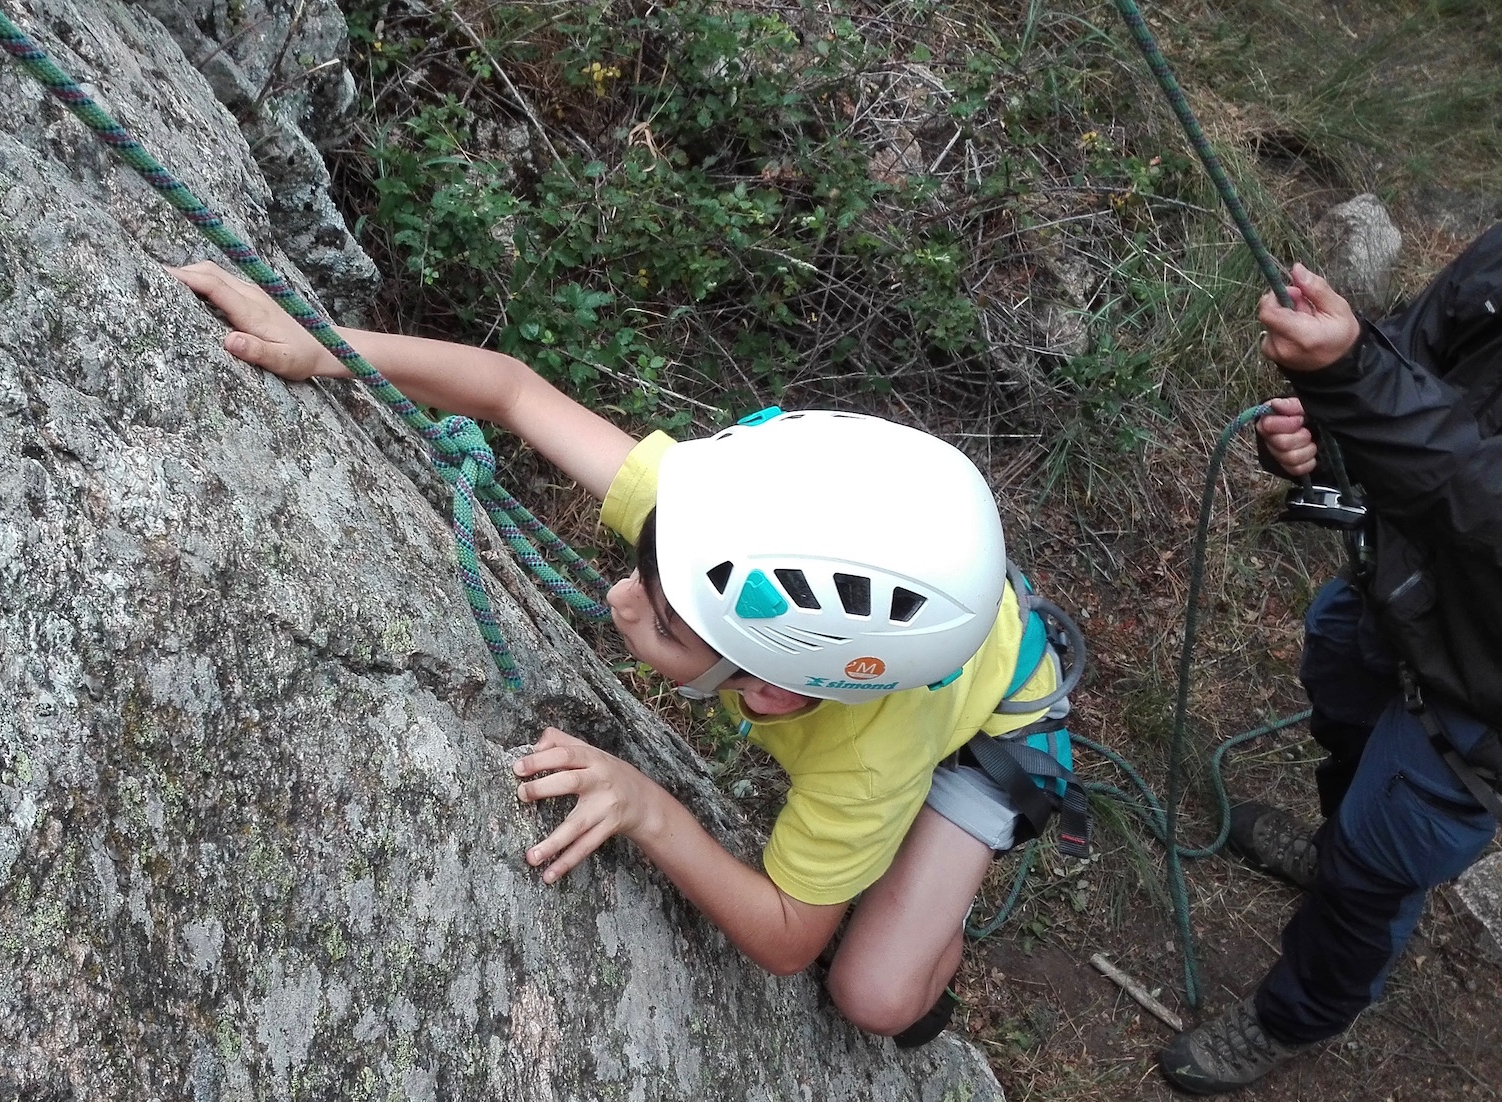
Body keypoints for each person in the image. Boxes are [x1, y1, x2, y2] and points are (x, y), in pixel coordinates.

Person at [167, 262, 1084, 1048]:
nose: (619, 598)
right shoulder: (716, 538)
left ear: (767, 693)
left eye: (667, 626)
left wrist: (652, 810)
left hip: (994, 723)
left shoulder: (864, 762)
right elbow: (512, 391)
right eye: (646, 571)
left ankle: (938, 932)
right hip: (926, 649)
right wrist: (325, 345)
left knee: (872, 995)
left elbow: (787, 938)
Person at [1159, 230, 1502, 1094]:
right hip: (1400, 578)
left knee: (1376, 868)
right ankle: (1336, 840)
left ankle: (1295, 1015)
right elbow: (1416, 346)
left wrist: (1353, 378)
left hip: (1483, 695)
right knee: (1342, 716)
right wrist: (1324, 425)